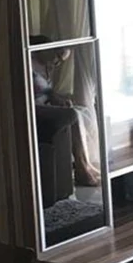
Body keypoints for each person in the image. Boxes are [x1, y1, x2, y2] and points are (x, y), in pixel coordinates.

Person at [29, 36, 102, 187]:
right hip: (32, 108)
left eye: (61, 61)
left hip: (45, 105)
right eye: (57, 57)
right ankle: (81, 168)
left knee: (81, 111)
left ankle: (86, 162)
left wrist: (58, 99)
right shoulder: (27, 63)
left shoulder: (47, 66)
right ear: (46, 50)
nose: (57, 62)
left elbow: (47, 91)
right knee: (73, 114)